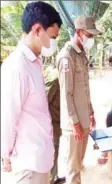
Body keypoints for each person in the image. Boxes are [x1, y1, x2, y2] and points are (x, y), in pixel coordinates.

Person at [1, 1, 62, 184]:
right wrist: (5, 154)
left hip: (39, 158)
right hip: (28, 164)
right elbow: (7, 117)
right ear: (37, 30)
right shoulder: (17, 66)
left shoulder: (34, 61)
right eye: (52, 37)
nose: (53, 43)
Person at [56, 15, 100, 184]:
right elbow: (66, 94)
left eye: (92, 36)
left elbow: (84, 88)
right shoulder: (67, 56)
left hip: (84, 120)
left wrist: (90, 111)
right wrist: (75, 123)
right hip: (73, 124)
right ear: (79, 32)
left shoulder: (81, 54)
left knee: (79, 163)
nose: (91, 39)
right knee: (73, 169)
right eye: (89, 35)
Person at [44, 64, 66, 184]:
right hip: (51, 122)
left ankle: (53, 177)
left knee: (55, 150)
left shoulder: (63, 78)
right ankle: (50, 180)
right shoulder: (55, 79)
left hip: (58, 121)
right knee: (52, 150)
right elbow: (44, 101)